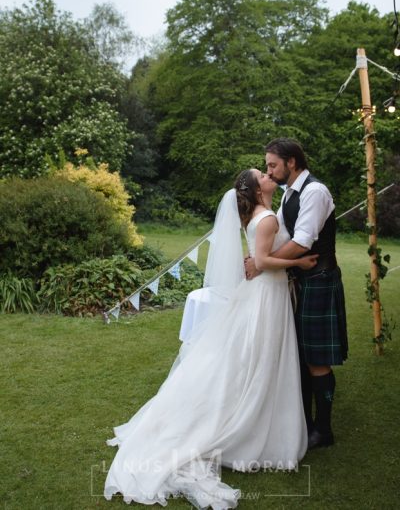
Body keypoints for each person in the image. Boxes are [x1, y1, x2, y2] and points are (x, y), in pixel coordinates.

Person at [104, 169, 317, 509]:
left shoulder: (264, 215)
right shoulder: (266, 220)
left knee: (258, 356)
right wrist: (300, 263)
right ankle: (248, 426)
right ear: (256, 188)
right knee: (258, 356)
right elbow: (262, 261)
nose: (267, 174)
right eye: (262, 173)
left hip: (266, 292)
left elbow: (258, 259)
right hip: (265, 295)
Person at [245, 138, 348, 450]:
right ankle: (303, 419)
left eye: (273, 164)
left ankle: (323, 429)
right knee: (301, 353)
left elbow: (302, 242)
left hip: (319, 277)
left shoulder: (314, 191)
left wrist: (262, 265)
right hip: (301, 279)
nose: (269, 170)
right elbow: (282, 236)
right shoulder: (289, 192)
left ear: (291, 162)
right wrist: (258, 255)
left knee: (316, 357)